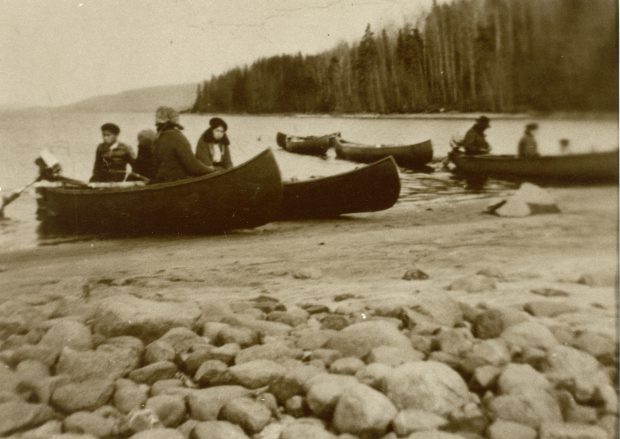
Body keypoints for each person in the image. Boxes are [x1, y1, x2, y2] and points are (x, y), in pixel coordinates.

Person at [151, 106, 214, 182]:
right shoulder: (177, 138)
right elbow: (193, 166)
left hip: (161, 180)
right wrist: (212, 171)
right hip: (177, 181)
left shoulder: (158, 138)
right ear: (175, 120)